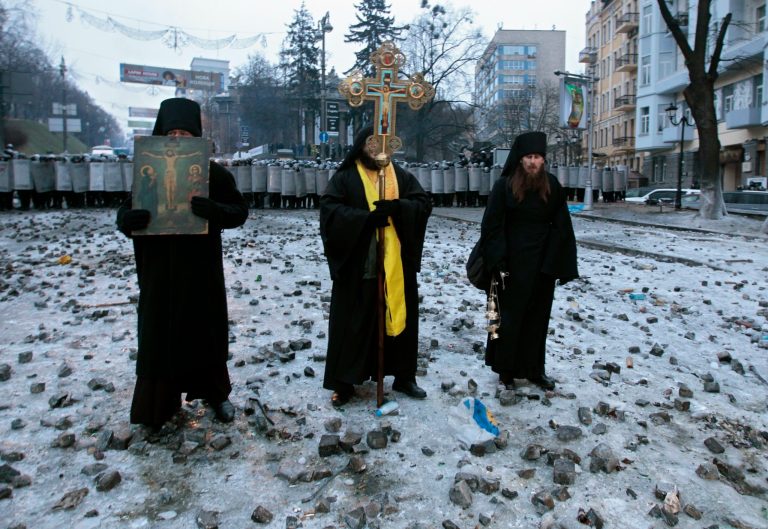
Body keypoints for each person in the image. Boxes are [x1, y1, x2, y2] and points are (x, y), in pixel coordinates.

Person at [116, 98, 248, 428]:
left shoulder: (214, 174)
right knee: (158, 334)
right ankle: (158, 404)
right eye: (171, 132)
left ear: (196, 137)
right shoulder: (148, 168)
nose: (177, 138)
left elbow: (239, 211)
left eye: (185, 133)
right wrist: (127, 220)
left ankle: (216, 393)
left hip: (200, 269)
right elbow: (127, 210)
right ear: (161, 135)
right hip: (159, 269)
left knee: (205, 330)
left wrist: (215, 211)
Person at [319, 126, 432, 407]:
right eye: (372, 145)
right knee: (353, 323)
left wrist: (398, 208)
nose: (377, 151)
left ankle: (404, 376)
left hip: (396, 264)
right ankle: (344, 382)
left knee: (400, 319)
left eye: (383, 145)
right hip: (359, 265)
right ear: (361, 146)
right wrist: (365, 219)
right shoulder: (345, 178)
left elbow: (422, 203)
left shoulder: (400, 176)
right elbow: (330, 212)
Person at [480, 131, 578, 391]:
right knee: (507, 320)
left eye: (538, 157)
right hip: (510, 264)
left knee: (537, 320)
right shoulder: (503, 186)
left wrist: (558, 262)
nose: (534, 162)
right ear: (520, 160)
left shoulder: (552, 185)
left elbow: (562, 225)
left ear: (543, 160)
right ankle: (506, 371)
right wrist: (498, 260)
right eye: (529, 157)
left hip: (542, 265)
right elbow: (492, 225)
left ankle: (535, 370)